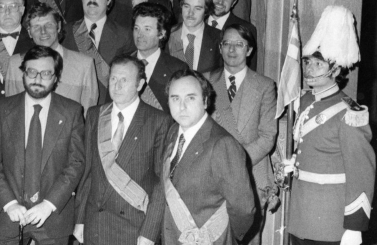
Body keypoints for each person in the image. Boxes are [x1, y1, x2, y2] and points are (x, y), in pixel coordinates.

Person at [286, 6, 375, 245]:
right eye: (307, 63)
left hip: (329, 219)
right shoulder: (303, 101)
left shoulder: (350, 113)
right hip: (299, 213)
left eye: (318, 64)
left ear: (336, 69)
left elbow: (362, 173)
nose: (308, 70)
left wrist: (355, 226)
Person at [0, 46, 86, 244]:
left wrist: (49, 204)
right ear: (23, 73)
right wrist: (9, 203)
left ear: (56, 77)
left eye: (46, 73)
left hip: (53, 217)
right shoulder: (1, 109)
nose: (37, 79)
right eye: (31, 71)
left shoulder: (72, 111)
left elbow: (76, 163)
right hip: (8, 215)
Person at [74, 55, 173, 245]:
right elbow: (88, 173)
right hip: (96, 223)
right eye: (113, 79)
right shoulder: (95, 115)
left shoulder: (158, 121)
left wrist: (150, 232)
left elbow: (162, 183)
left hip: (135, 226)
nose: (116, 86)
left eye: (124, 80)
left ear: (140, 84)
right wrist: (80, 219)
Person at [162, 69, 256, 244]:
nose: (181, 106)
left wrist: (225, 236)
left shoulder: (222, 144)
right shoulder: (173, 132)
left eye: (190, 98)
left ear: (205, 101)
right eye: (175, 98)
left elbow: (244, 209)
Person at [205, 24, 276, 245]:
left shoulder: (264, 86)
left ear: (249, 50)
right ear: (220, 48)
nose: (232, 49)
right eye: (227, 43)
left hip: (252, 173)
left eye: (239, 44)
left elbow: (267, 137)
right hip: (211, 175)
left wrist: (235, 162)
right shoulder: (204, 81)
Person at [4, 3, 98, 113]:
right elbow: (10, 111)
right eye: (36, 27)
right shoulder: (15, 63)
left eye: (48, 25)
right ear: (29, 32)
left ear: (58, 27)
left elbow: (87, 114)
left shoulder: (84, 65)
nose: (43, 31)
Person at [62, 0, 136, 104]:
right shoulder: (65, 32)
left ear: (109, 0)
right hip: (72, 105)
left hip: (109, 105)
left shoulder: (124, 35)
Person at [132, 3, 188, 113]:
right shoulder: (121, 64)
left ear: (161, 34)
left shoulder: (177, 69)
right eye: (136, 28)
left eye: (147, 29)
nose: (139, 35)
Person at [167, 0, 221, 73]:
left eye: (198, 8)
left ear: (206, 11)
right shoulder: (167, 35)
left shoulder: (218, 37)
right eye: (186, 6)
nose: (190, 13)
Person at [208, 0, 257, 69]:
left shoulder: (247, 29)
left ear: (234, 2)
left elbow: (249, 72)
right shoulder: (197, 23)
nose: (220, 1)